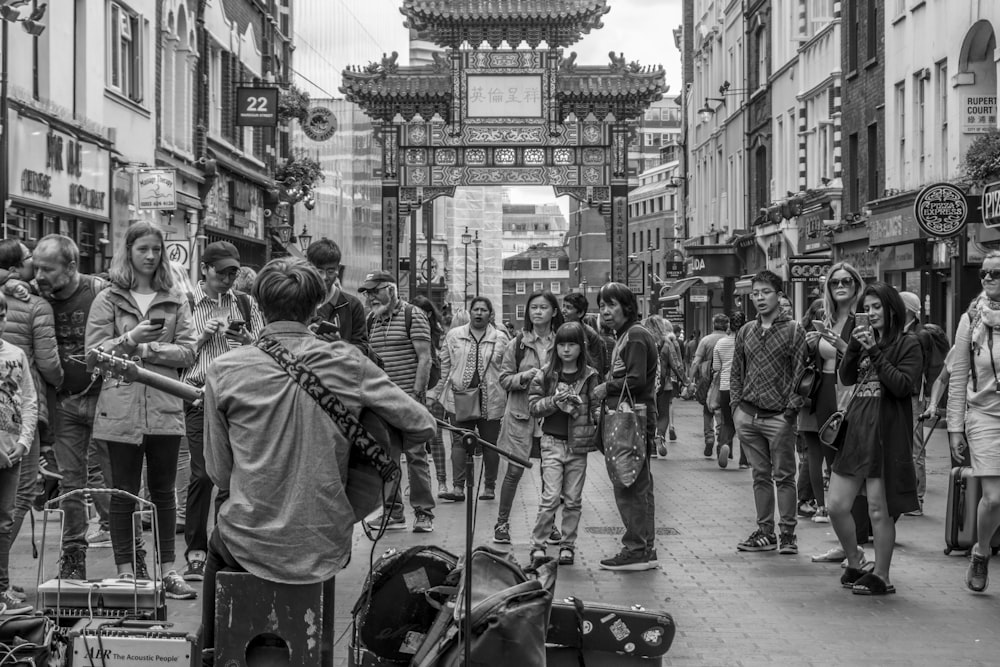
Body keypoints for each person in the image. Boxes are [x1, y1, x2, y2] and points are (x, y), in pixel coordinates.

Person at [200, 257, 436, 665]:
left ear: (258, 305)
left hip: (247, 538)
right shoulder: (348, 363)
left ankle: (210, 651)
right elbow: (422, 424)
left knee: (216, 545)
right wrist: (360, 474)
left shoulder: (225, 370)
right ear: (315, 309)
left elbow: (219, 472)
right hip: (324, 538)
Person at [85, 221, 197, 598]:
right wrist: (130, 337)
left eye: (155, 249)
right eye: (142, 249)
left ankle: (168, 570)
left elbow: (188, 350)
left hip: (165, 405)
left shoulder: (173, 297)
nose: (150, 256)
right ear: (128, 251)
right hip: (120, 406)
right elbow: (93, 355)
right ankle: (126, 572)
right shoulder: (109, 299)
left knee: (163, 492)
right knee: (123, 492)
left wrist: (147, 350)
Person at [179, 242, 265, 583]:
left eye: (233, 273)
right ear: (205, 269)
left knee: (232, 477)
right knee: (202, 475)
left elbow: (264, 348)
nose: (228, 279)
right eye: (221, 272)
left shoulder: (244, 302)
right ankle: (196, 551)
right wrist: (201, 338)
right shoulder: (186, 304)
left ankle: (226, 547)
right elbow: (175, 351)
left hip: (238, 397)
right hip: (199, 396)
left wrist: (246, 339)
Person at [829, 282, 921, 596]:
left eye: (877, 307)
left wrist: (873, 350)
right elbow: (846, 377)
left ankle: (882, 575)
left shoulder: (909, 343)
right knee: (836, 505)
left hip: (885, 432)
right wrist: (854, 347)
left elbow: (902, 386)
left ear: (891, 308)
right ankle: (855, 560)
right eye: (866, 308)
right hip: (856, 429)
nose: (871, 314)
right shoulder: (864, 339)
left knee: (879, 510)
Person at [31, 235, 112, 579]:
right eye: (36, 267)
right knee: (70, 483)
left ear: (71, 267)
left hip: (105, 397)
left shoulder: (97, 292)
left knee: (112, 479)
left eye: (47, 268)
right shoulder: (34, 294)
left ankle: (128, 555)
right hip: (64, 402)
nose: (39, 275)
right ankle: (73, 559)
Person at [730, 270, 807, 555]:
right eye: (756, 293)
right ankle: (765, 532)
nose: (760, 298)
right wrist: (736, 408)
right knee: (760, 475)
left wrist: (790, 411)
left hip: (779, 417)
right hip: (748, 415)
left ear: (779, 295)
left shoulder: (793, 330)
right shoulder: (746, 331)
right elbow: (737, 371)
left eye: (766, 292)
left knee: (784, 475)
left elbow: (800, 374)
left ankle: (787, 533)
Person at [0, 241, 62, 566]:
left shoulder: (9, 295)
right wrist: (66, 381)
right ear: (14, 268)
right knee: (21, 491)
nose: (33, 264)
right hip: (21, 403)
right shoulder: (37, 305)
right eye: (28, 259)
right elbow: (50, 363)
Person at [361, 271, 436, 533]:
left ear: (391, 289)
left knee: (416, 457)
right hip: (381, 403)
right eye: (368, 293)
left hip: (408, 399)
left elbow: (425, 358)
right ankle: (393, 512)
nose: (370, 297)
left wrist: (417, 395)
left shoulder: (412, 314)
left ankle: (424, 512)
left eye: (375, 291)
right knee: (386, 457)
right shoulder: (371, 320)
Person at [593, 283, 659, 571]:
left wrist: (605, 387)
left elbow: (635, 380)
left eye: (611, 305)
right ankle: (643, 547)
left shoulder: (634, 337)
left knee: (629, 483)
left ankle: (636, 548)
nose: (605, 312)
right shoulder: (628, 335)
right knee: (636, 483)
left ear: (627, 307)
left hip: (632, 419)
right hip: (633, 417)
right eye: (602, 306)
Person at [947, 250, 1000, 592]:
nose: (988, 280)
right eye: (984, 274)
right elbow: (958, 376)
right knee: (994, 498)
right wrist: (954, 428)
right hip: (984, 415)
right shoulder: (972, 318)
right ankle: (981, 551)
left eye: (996, 274)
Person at [527, 322, 600, 566]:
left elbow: (597, 409)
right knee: (550, 497)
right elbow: (533, 407)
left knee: (573, 499)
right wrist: (554, 401)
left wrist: (591, 411)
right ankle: (538, 545)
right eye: (562, 345)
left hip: (578, 445)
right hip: (551, 442)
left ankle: (567, 545)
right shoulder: (546, 374)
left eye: (572, 345)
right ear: (555, 347)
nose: (566, 350)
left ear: (581, 347)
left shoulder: (590, 375)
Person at [493, 291, 563, 545]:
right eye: (533, 307)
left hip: (551, 417)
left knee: (550, 474)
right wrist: (525, 377)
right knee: (513, 472)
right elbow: (503, 378)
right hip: (520, 416)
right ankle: (502, 523)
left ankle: (549, 525)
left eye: (544, 307)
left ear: (554, 312)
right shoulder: (518, 343)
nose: (537, 312)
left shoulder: (562, 342)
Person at [430, 297, 508, 502]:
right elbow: (444, 368)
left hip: (491, 399)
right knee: (460, 441)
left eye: (484, 310)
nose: (479, 313)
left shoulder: (500, 338)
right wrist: (435, 394)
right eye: (476, 309)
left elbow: (507, 369)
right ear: (470, 312)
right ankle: (458, 488)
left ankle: (489, 487)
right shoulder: (454, 335)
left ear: (490, 314)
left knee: (490, 444)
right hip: (460, 398)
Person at [0, 292, 39, 615]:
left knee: (5, 520)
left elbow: (28, 399)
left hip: (12, 451)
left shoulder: (16, 355)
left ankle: (1, 588)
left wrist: (24, 442)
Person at [797, 298, 837, 523]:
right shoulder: (826, 335)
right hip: (823, 398)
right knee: (831, 455)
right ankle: (828, 506)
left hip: (807, 400)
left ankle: (821, 507)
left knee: (813, 456)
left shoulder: (802, 333)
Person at [899, 291, 937, 517]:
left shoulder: (920, 334)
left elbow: (927, 367)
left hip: (914, 394)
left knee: (915, 445)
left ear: (906, 309)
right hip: (904, 392)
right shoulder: (903, 331)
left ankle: (917, 498)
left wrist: (930, 396)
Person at [411, 294, 449, 496]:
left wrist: (435, 393)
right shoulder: (410, 330)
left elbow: (443, 366)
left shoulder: (439, 335)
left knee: (435, 438)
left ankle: (442, 482)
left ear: (427, 313)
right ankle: (416, 483)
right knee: (414, 441)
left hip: (434, 390)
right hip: (415, 390)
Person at [305, 239, 369, 356]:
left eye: (330, 271)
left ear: (338, 270)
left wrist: (339, 344)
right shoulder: (297, 301)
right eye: (319, 271)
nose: (325, 277)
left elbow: (364, 350)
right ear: (309, 268)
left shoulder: (352, 305)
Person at [644, 315, 685, 458]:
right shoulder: (668, 344)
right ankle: (660, 436)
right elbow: (676, 365)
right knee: (663, 414)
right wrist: (685, 382)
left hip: (647, 384)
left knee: (649, 414)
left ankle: (651, 447)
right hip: (665, 383)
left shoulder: (643, 341)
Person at [689, 314, 729, 459]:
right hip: (726, 380)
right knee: (723, 412)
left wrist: (690, 381)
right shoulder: (731, 340)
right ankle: (721, 440)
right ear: (727, 325)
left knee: (707, 410)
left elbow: (695, 362)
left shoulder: (705, 340)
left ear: (713, 325)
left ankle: (709, 438)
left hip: (707, 379)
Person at [713, 311, 748, 469]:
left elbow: (716, 367)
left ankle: (724, 445)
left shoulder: (720, 343)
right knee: (744, 423)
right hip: (743, 387)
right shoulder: (747, 342)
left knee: (727, 421)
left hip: (725, 387)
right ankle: (744, 461)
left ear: (729, 325)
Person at [561, 292, 607, 377]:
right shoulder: (559, 331)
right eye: (563, 306)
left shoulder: (591, 335)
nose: (563, 310)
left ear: (580, 313)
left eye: (568, 307)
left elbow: (597, 366)